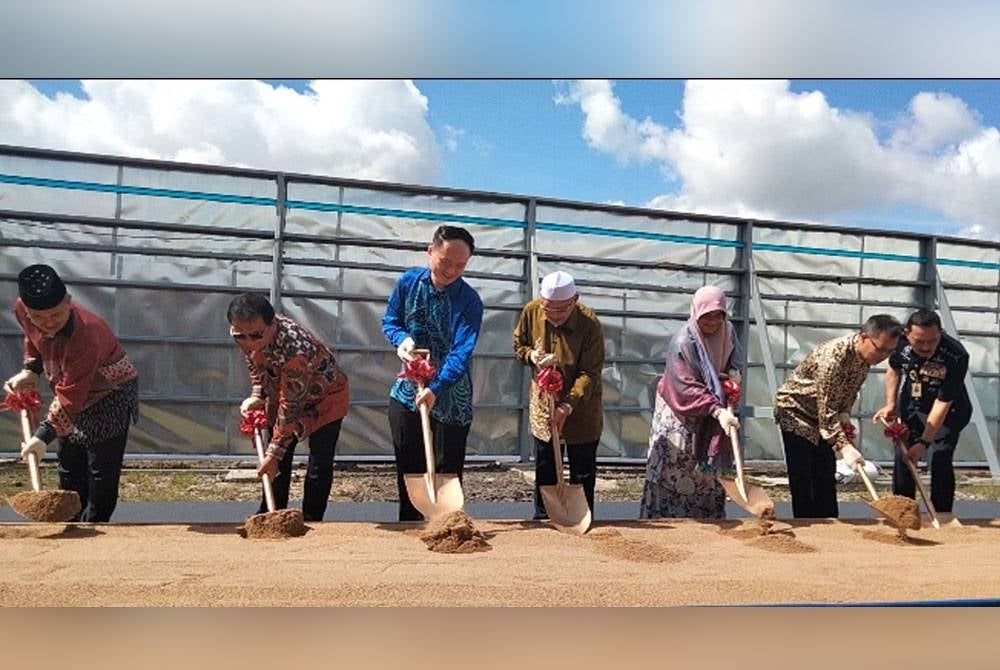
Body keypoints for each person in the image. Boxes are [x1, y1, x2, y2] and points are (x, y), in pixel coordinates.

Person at [3, 264, 139, 522]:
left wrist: (42, 436)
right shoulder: (23, 309)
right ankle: (70, 521)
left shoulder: (88, 333)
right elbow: (33, 339)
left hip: (109, 390)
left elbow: (71, 395)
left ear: (68, 302)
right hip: (69, 387)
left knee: (100, 470)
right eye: (39, 317)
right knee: (69, 463)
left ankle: (95, 525)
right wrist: (31, 370)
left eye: (55, 315)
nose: (48, 324)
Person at [382, 225, 483, 521]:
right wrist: (401, 339)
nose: (452, 270)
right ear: (430, 251)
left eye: (461, 265)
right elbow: (391, 320)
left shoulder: (470, 301)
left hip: (451, 396)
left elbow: (461, 352)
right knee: (409, 464)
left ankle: (447, 526)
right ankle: (410, 523)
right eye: (445, 261)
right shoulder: (408, 283)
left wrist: (436, 388)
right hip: (408, 392)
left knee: (446, 468)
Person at [228, 292, 349, 522]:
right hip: (282, 392)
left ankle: (312, 517)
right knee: (278, 460)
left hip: (325, 398)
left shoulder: (295, 350)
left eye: (255, 335)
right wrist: (258, 393)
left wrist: (273, 455)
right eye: (240, 336)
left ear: (272, 324)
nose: (248, 343)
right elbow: (254, 362)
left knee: (319, 461)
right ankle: (272, 514)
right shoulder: (247, 335)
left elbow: (290, 407)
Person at [774, 314, 903, 518]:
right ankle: (807, 526)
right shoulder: (832, 358)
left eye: (889, 351)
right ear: (863, 338)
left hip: (827, 415)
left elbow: (849, 391)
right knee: (804, 476)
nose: (883, 356)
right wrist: (844, 446)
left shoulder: (864, 358)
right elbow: (825, 411)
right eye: (880, 349)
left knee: (825, 473)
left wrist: (845, 415)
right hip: (797, 411)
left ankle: (831, 524)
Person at [639, 286, 744, 519]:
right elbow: (685, 386)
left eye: (717, 316)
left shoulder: (728, 332)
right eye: (706, 317)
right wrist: (718, 411)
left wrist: (734, 375)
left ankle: (708, 522)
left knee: (707, 475)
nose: (712, 322)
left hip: (713, 409)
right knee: (678, 471)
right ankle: (670, 526)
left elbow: (734, 359)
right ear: (695, 313)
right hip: (681, 412)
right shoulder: (683, 342)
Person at [513, 270, 605, 520]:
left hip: (581, 407)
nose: (553, 315)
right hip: (544, 403)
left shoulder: (589, 324)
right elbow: (519, 344)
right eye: (548, 309)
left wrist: (567, 405)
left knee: (582, 469)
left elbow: (589, 372)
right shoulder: (532, 311)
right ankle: (544, 517)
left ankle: (580, 518)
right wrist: (531, 356)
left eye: (561, 310)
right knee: (545, 467)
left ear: (574, 300)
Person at [873, 309, 971, 516]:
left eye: (932, 341)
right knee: (904, 455)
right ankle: (903, 510)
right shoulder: (898, 342)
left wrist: (924, 442)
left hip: (949, 411)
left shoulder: (956, 355)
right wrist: (891, 403)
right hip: (913, 404)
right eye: (919, 342)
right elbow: (894, 368)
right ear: (907, 333)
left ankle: (941, 513)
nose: (926, 347)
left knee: (939, 456)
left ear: (940, 333)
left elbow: (943, 402)